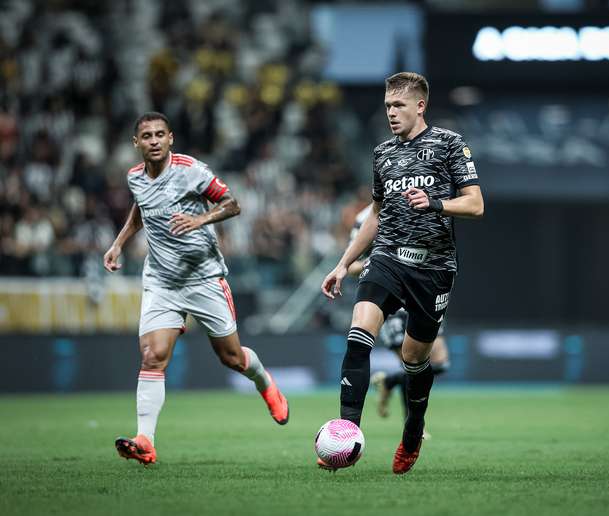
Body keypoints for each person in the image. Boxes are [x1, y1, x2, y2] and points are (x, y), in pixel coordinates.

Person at [104, 112, 289, 466]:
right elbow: (141, 210)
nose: (154, 140)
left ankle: (265, 382)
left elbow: (232, 204)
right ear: (136, 143)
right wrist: (119, 243)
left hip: (204, 278)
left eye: (160, 134)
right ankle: (146, 440)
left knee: (232, 358)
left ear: (171, 138)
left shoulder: (192, 170)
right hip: (161, 280)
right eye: (147, 136)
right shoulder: (134, 178)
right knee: (153, 356)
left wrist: (200, 219)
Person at [321, 72, 483, 474]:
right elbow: (376, 215)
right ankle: (346, 436)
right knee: (358, 338)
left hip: (433, 267)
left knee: (414, 360)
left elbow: (476, 204)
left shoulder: (449, 144)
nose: (391, 113)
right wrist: (343, 264)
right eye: (387, 106)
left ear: (420, 106)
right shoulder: (382, 154)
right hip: (387, 259)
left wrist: (436, 203)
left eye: (398, 106)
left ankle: (413, 431)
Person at [347, 205, 451, 425]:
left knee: (440, 362)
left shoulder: (422, 202)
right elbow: (352, 265)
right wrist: (383, 261)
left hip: (423, 290)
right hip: (391, 294)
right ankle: (412, 427)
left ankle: (389, 381)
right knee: (411, 365)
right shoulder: (365, 217)